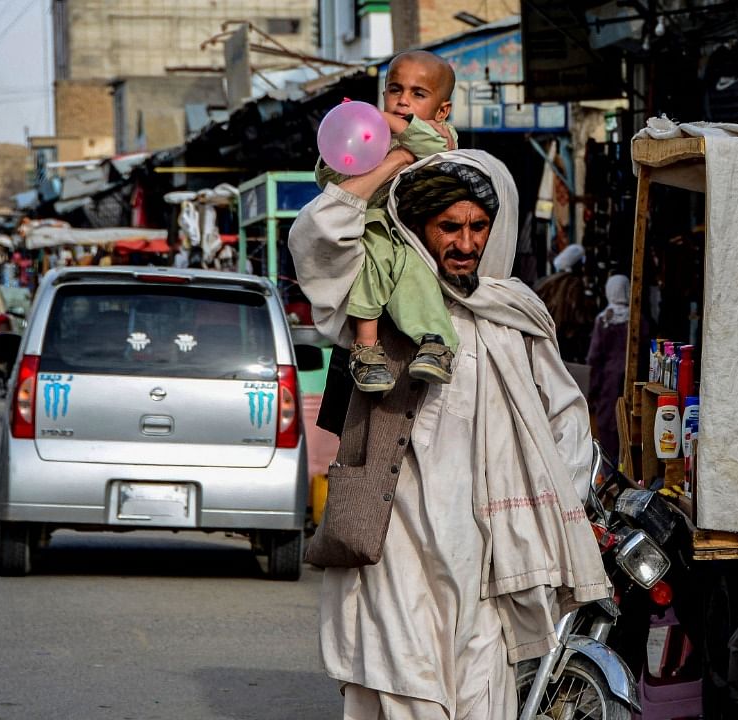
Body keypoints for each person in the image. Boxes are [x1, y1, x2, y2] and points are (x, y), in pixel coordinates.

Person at [289, 148, 609, 719]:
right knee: (402, 676)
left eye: (478, 226)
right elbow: (318, 234)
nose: (465, 243)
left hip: (487, 550)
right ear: (417, 228)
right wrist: (396, 160)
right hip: (396, 542)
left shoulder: (515, 314)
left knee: (481, 692)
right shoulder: (377, 302)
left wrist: (556, 507)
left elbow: (565, 418)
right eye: (449, 227)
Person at [316, 49, 462, 394]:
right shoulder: (365, 131)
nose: (402, 101)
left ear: (442, 109)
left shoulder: (443, 132)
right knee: (373, 261)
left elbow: (435, 146)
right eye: (395, 90)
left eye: (418, 94)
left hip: (414, 232)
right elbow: (331, 179)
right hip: (372, 226)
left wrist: (388, 122)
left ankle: (435, 343)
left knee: (417, 273)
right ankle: (366, 349)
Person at [586, 274, 631, 462]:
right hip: (630, 380)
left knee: (608, 427)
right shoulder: (637, 319)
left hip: (608, 383)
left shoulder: (604, 320)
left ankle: (611, 473)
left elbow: (594, 357)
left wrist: (591, 390)